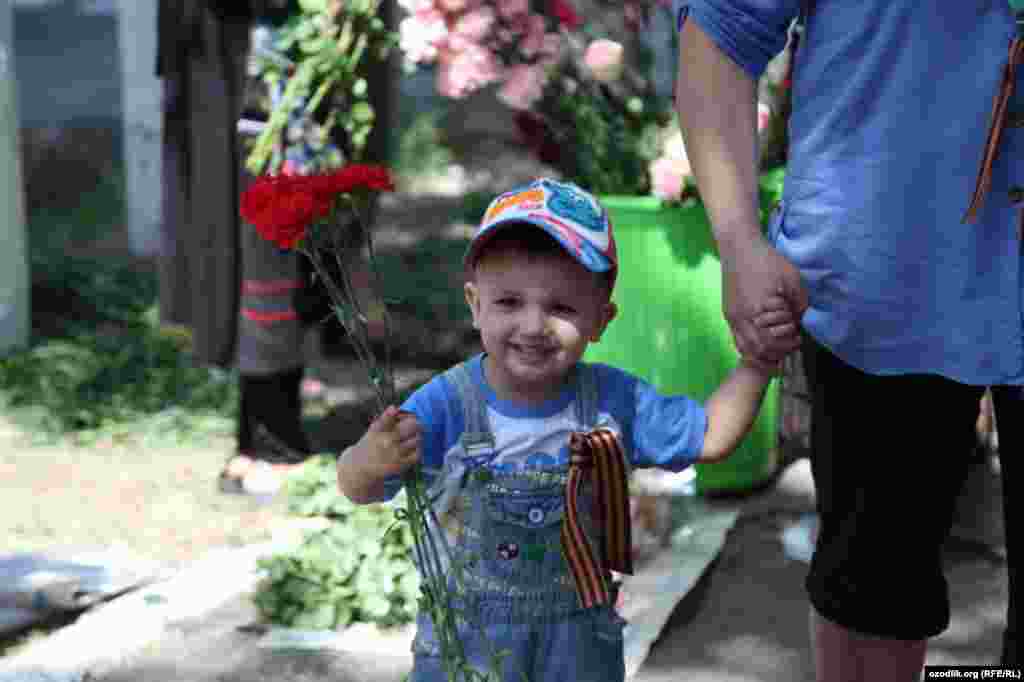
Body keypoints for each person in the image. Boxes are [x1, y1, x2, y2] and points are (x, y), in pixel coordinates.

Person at [672, 1, 1024, 679]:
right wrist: (739, 242)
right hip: (881, 266)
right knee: (873, 596)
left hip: (875, 262)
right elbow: (723, 28)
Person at [336, 178, 794, 681]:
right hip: (471, 651)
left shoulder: (613, 401)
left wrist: (758, 364)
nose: (533, 325)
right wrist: (367, 462)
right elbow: (359, 487)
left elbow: (709, 437)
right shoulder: (448, 404)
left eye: (561, 308)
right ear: (475, 304)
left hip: (577, 648)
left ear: (601, 319)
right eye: (509, 302)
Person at [156, 0, 315, 496]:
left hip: (271, 50)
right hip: (222, 53)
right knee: (244, 243)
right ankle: (262, 433)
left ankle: (273, 435)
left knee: (271, 243)